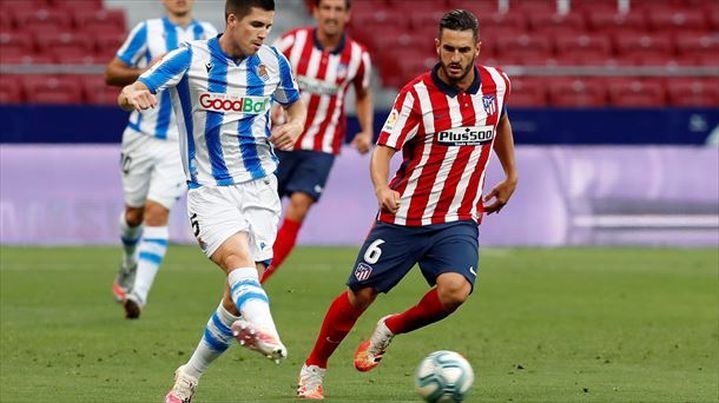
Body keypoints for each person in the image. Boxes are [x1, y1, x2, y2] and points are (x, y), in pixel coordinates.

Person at [296, 9, 517, 399]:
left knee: (455, 291)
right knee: (359, 295)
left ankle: (390, 328)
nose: (454, 57)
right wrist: (382, 188)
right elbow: (383, 150)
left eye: (463, 50)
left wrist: (510, 174)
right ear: (437, 46)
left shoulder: (497, 85)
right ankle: (314, 367)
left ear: (477, 49)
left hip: (458, 218)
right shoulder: (416, 96)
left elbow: (499, 122)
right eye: (448, 48)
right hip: (404, 216)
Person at [117, 0, 306, 401]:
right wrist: (133, 95)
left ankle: (188, 376)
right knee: (239, 264)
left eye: (268, 26)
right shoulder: (191, 56)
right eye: (256, 24)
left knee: (237, 296)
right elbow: (134, 88)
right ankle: (267, 332)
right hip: (210, 188)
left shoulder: (273, 62)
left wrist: (295, 124)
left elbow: (295, 102)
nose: (262, 34)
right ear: (232, 20)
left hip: (260, 189)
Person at [106, 0, 218, 319]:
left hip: (176, 142)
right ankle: (128, 264)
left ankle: (138, 294)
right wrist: (151, 72)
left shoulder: (207, 35)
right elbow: (111, 73)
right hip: (140, 136)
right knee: (133, 215)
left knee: (158, 211)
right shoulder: (146, 31)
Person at [260, 0, 373, 283]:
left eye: (338, 9)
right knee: (262, 208)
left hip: (321, 146)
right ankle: (248, 266)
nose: (331, 15)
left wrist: (367, 131)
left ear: (347, 15)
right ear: (316, 11)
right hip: (280, 138)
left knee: (299, 204)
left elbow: (362, 93)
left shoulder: (358, 57)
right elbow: (261, 71)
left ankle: (260, 277)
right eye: (327, 8)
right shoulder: (291, 43)